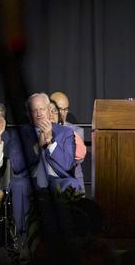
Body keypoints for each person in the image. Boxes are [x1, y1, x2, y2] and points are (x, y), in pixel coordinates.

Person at [7, 93, 82, 239]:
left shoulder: (65, 133)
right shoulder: (19, 134)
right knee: (18, 185)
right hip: (30, 180)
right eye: (34, 110)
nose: (39, 113)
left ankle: (70, 237)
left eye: (42, 109)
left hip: (57, 180)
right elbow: (17, 165)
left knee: (72, 184)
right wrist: (38, 146)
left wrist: (51, 143)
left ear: (49, 110)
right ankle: (21, 239)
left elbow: (67, 165)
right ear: (29, 114)